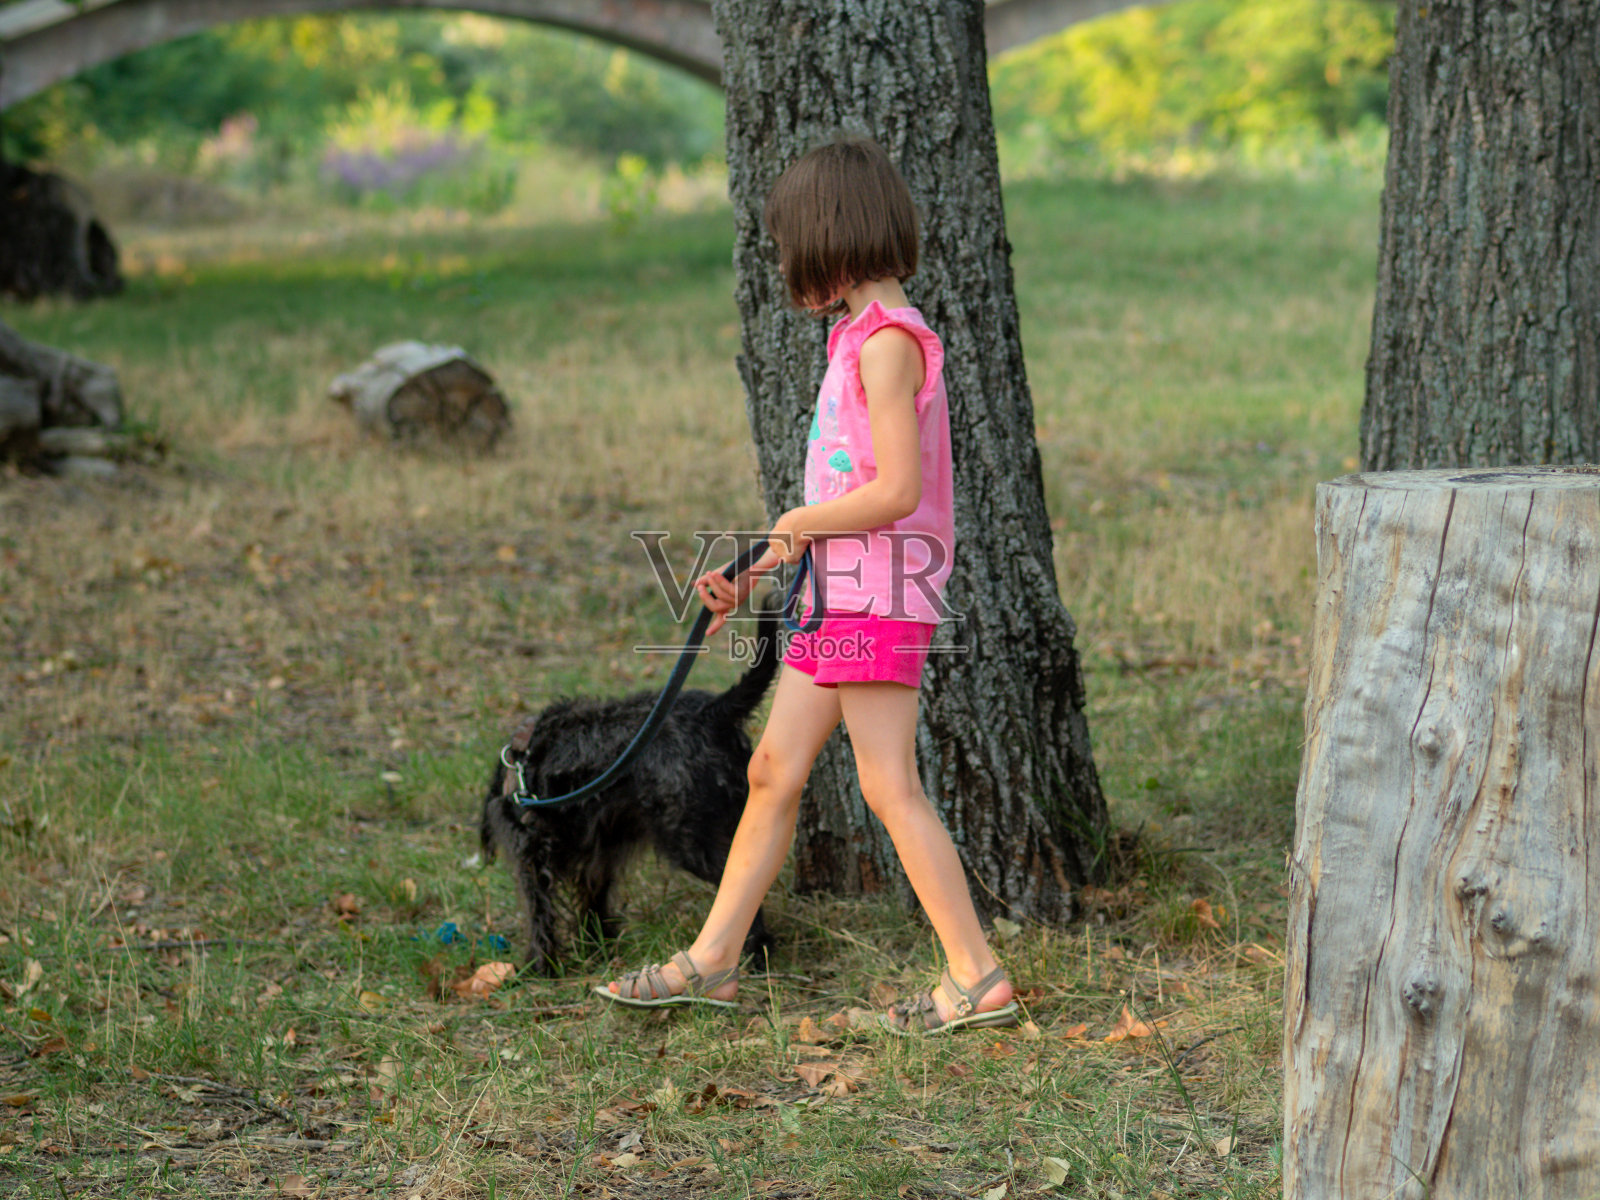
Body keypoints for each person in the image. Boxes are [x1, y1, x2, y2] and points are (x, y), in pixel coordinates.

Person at [597, 136, 1017, 1034]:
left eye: (792, 242)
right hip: (840, 590)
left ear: (831, 235)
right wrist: (754, 568)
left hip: (879, 595)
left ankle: (976, 976)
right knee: (773, 769)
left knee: (887, 785)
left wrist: (792, 527)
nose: (787, 262)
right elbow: (841, 492)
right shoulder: (856, 335)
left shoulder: (891, 344)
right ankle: (713, 962)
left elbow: (897, 491)